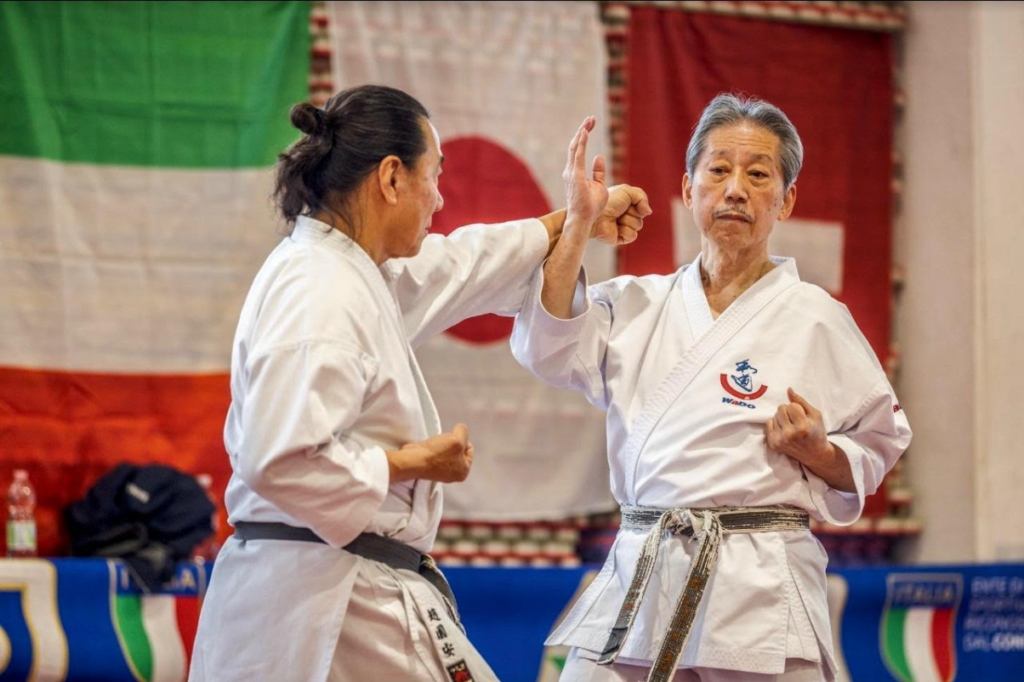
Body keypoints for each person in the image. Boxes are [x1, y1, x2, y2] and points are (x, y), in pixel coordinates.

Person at [187, 84, 650, 682]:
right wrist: (411, 462)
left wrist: (575, 220)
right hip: (323, 602)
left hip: (334, 590)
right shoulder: (318, 286)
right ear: (390, 178)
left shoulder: (351, 272)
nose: (438, 199)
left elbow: (460, 265)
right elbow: (280, 460)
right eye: (434, 175)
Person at [511, 93, 912, 682]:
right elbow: (546, 346)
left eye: (757, 175)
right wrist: (576, 222)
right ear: (687, 187)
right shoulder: (635, 303)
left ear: (786, 199)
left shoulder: (816, 317)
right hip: (644, 564)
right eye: (718, 170)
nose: (735, 189)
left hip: (760, 581)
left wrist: (820, 453)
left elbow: (882, 440)